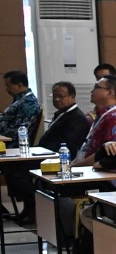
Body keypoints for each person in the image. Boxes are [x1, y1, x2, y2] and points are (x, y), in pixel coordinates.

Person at [4, 82, 89, 225]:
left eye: (61, 96)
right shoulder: (61, 114)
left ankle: (33, 206)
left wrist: (40, 152)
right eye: (54, 96)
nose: (56, 99)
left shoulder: (77, 118)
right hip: (46, 153)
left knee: (17, 169)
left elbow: (67, 145)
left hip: (60, 159)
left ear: (72, 97)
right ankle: (28, 206)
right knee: (11, 165)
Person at [72, 76, 116, 167]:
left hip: (101, 174)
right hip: (86, 169)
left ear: (110, 93)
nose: (92, 91)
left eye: (96, 87)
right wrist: (74, 163)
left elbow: (107, 154)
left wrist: (76, 166)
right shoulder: (101, 115)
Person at [0, 70, 42, 143]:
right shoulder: (20, 100)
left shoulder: (28, 103)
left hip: (13, 144)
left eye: (8, 85)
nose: (6, 89)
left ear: (19, 85)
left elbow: (17, 131)